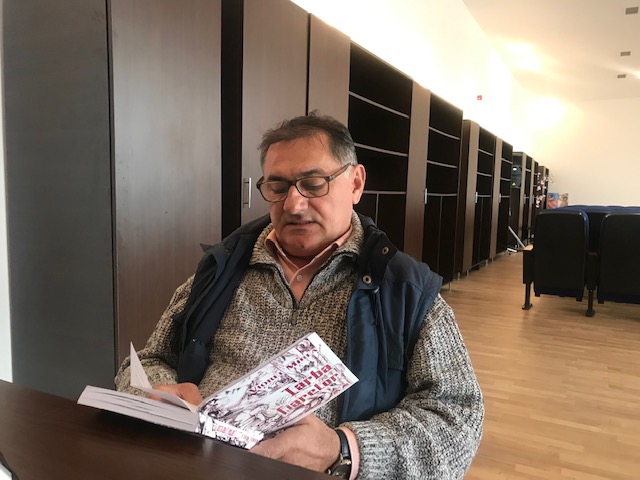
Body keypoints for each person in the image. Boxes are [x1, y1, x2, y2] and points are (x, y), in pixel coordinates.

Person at [115, 113, 484, 479]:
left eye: (313, 184)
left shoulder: (406, 292)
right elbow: (147, 361)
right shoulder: (219, 270)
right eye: (278, 187)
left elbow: (457, 422)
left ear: (356, 183)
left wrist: (343, 450)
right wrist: (156, 391)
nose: (293, 205)